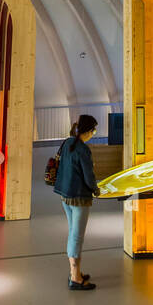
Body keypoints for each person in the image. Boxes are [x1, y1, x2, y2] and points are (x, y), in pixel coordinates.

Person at [53, 114, 100, 290]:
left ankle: (75, 272)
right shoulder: (83, 150)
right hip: (80, 197)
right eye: (93, 130)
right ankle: (75, 278)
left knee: (73, 232)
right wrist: (96, 189)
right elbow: (88, 177)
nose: (94, 133)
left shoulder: (67, 143)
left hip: (65, 195)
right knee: (77, 236)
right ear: (87, 131)